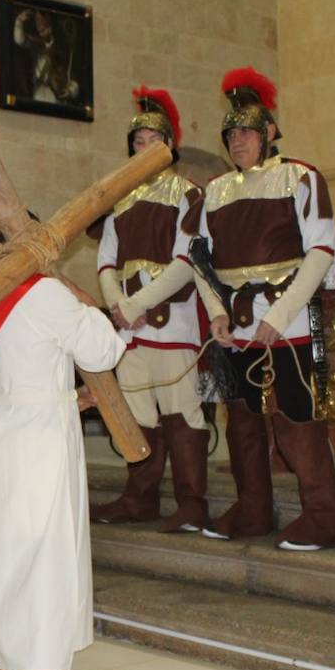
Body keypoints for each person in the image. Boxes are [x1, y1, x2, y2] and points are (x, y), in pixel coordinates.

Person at [0, 271, 127, 670]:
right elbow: (102, 350)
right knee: (45, 556)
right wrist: (83, 299)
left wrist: (61, 392)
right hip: (38, 440)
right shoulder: (47, 292)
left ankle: (3, 665)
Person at [195, 67, 335, 551]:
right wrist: (217, 310)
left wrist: (277, 319)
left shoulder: (300, 177)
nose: (237, 140)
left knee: (298, 418)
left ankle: (322, 517)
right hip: (234, 324)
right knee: (241, 419)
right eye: (231, 133)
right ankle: (254, 509)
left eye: (246, 132)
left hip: (289, 320)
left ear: (269, 134)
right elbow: (200, 258)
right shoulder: (214, 191)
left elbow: (321, 250)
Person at [90, 86, 210, 533]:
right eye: (137, 143)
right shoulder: (118, 198)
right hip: (129, 328)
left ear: (168, 147)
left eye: (151, 142)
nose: (143, 150)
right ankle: (140, 498)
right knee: (137, 415)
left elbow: (186, 261)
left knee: (181, 414)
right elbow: (106, 259)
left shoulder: (187, 194)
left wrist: (137, 304)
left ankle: (192, 503)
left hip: (171, 322)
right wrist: (118, 306)